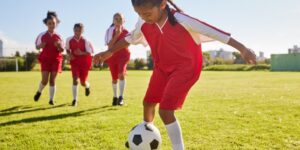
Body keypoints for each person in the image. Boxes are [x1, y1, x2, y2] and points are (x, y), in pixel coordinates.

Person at [94, 0, 256, 149]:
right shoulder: (143, 23)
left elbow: (214, 32)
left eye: (147, 14)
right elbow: (130, 38)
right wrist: (109, 52)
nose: (143, 18)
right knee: (148, 103)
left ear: (163, 4)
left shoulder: (181, 19)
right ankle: (143, 136)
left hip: (186, 68)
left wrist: (242, 48)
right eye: (139, 14)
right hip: (161, 69)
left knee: (165, 111)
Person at [34, 11, 64, 105]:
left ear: (56, 23)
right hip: (45, 59)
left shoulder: (59, 36)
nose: (51, 25)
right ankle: (39, 91)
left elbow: (62, 50)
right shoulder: (41, 35)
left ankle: (51, 100)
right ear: (46, 24)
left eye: (53, 23)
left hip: (56, 60)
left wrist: (58, 46)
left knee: (52, 80)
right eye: (49, 23)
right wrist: (41, 45)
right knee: (45, 80)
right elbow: (37, 46)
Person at [104, 13, 131, 106]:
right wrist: (117, 34)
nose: (118, 20)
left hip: (123, 55)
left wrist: (120, 33)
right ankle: (115, 97)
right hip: (112, 56)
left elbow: (126, 45)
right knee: (114, 79)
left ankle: (121, 97)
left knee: (121, 74)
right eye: (116, 18)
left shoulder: (127, 32)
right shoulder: (109, 31)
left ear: (124, 21)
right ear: (113, 21)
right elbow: (109, 47)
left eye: (120, 19)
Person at [65, 23, 94, 106]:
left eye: (79, 30)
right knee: (75, 79)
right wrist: (69, 54)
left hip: (84, 63)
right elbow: (67, 49)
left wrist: (81, 53)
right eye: (76, 30)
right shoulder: (69, 39)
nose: (77, 32)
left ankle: (87, 86)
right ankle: (75, 100)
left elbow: (90, 53)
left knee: (83, 82)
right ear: (73, 30)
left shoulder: (86, 40)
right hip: (74, 62)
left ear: (83, 31)